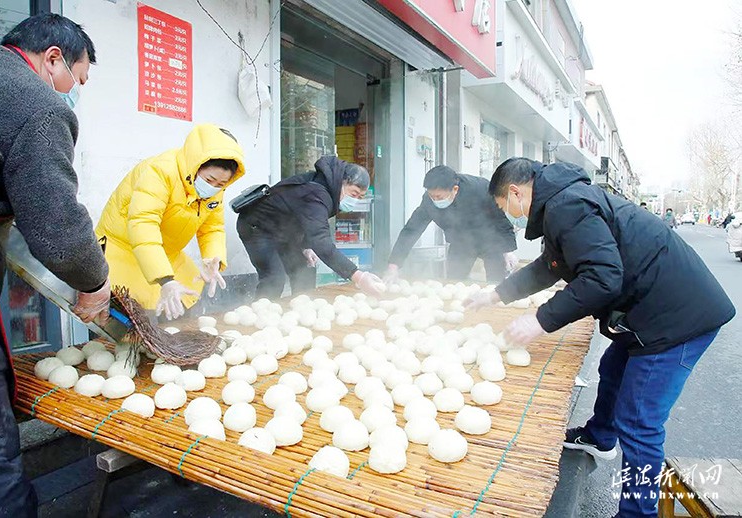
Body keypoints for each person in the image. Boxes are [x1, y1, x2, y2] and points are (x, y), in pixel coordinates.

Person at [465, 158, 735, 518]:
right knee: (613, 369)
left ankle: (638, 513)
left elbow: (602, 278)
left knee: (640, 422)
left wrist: (540, 321)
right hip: (653, 311)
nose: (512, 215)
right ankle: (599, 436)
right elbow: (550, 267)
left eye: (506, 207)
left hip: (675, 320)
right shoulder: (565, 201)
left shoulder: (566, 206)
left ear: (516, 192)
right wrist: (495, 295)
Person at [0, 14, 111, 516]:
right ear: (52, 59)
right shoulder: (37, 104)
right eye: (79, 79)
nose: (76, 92)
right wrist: (94, 283)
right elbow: (57, 227)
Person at [96, 124, 245, 320]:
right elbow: (143, 224)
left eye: (221, 184)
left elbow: (212, 228)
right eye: (209, 180)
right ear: (195, 165)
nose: (213, 187)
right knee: (129, 319)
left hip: (166, 254)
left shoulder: (216, 192)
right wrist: (165, 279)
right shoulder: (160, 172)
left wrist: (213, 259)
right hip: (123, 251)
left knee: (182, 307)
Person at [236, 156, 384, 298]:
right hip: (257, 227)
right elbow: (321, 240)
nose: (354, 200)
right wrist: (358, 276)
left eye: (359, 197)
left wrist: (305, 246)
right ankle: (259, 313)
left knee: (305, 269)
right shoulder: (317, 193)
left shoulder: (328, 189)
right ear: (342, 182)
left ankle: (301, 307)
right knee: (274, 278)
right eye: (354, 193)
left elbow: (305, 219)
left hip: (282, 230)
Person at [383, 165, 517, 284]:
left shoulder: (481, 189)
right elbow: (412, 229)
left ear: (455, 189)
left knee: (496, 283)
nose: (435, 200)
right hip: (461, 242)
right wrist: (393, 265)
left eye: (439, 197)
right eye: (432, 196)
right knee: (454, 282)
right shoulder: (429, 201)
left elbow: (500, 219)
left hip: (490, 240)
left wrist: (508, 251)